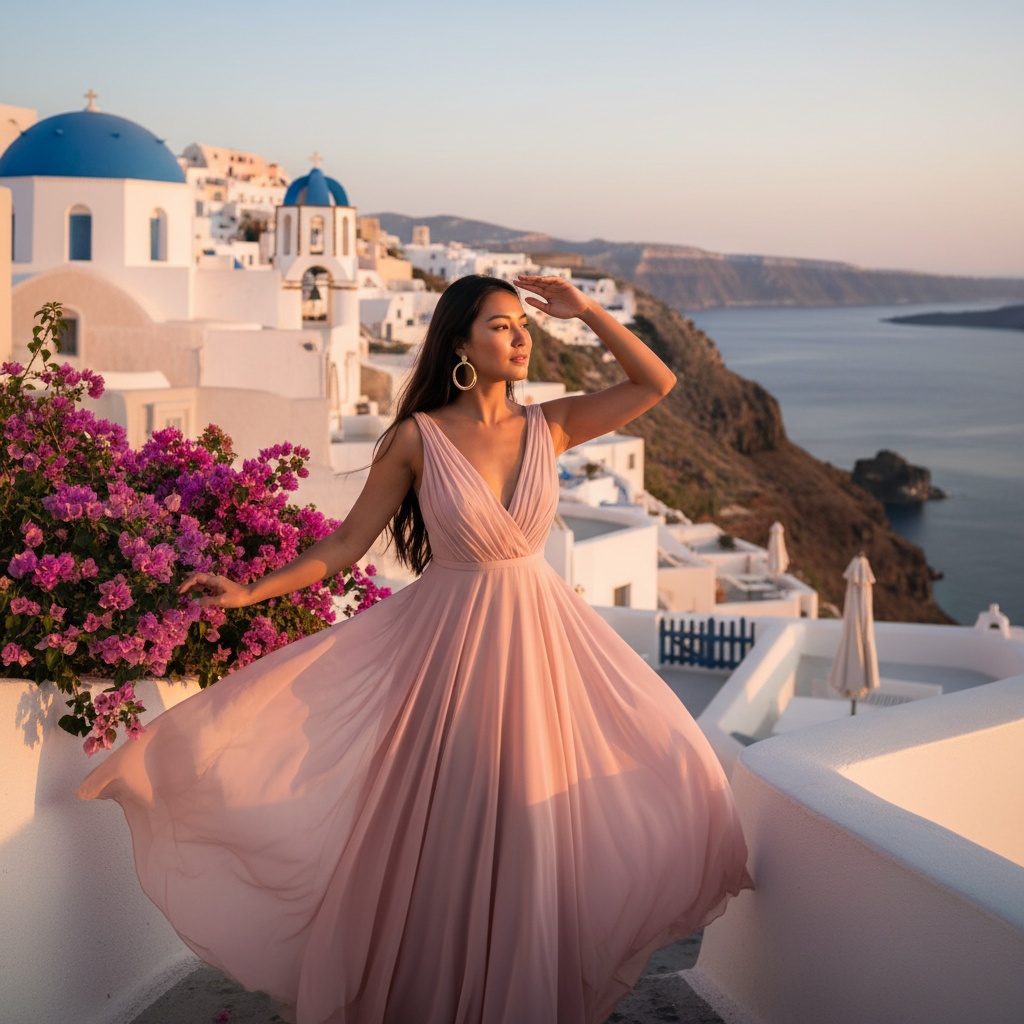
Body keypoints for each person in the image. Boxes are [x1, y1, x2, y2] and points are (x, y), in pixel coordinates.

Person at [78, 274, 752, 1024]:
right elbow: (342, 545)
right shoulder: (416, 439)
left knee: (538, 830)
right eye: (500, 326)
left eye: (521, 326)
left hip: (543, 653)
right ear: (459, 344)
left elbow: (654, 381)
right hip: (452, 658)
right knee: (458, 835)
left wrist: (587, 310)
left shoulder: (550, 426)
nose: (520, 336)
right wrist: (247, 593)